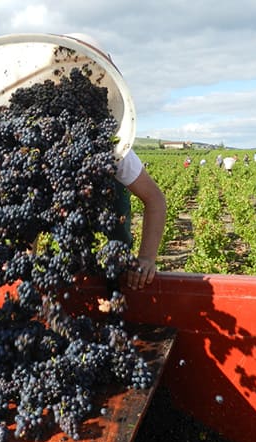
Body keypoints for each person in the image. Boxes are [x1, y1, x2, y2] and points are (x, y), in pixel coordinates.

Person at [69, 33, 167, 291]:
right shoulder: (43, 156)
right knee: (71, 241)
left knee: (118, 239)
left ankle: (116, 279)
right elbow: (29, 217)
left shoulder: (112, 151)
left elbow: (155, 199)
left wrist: (146, 258)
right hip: (67, 205)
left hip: (108, 197)